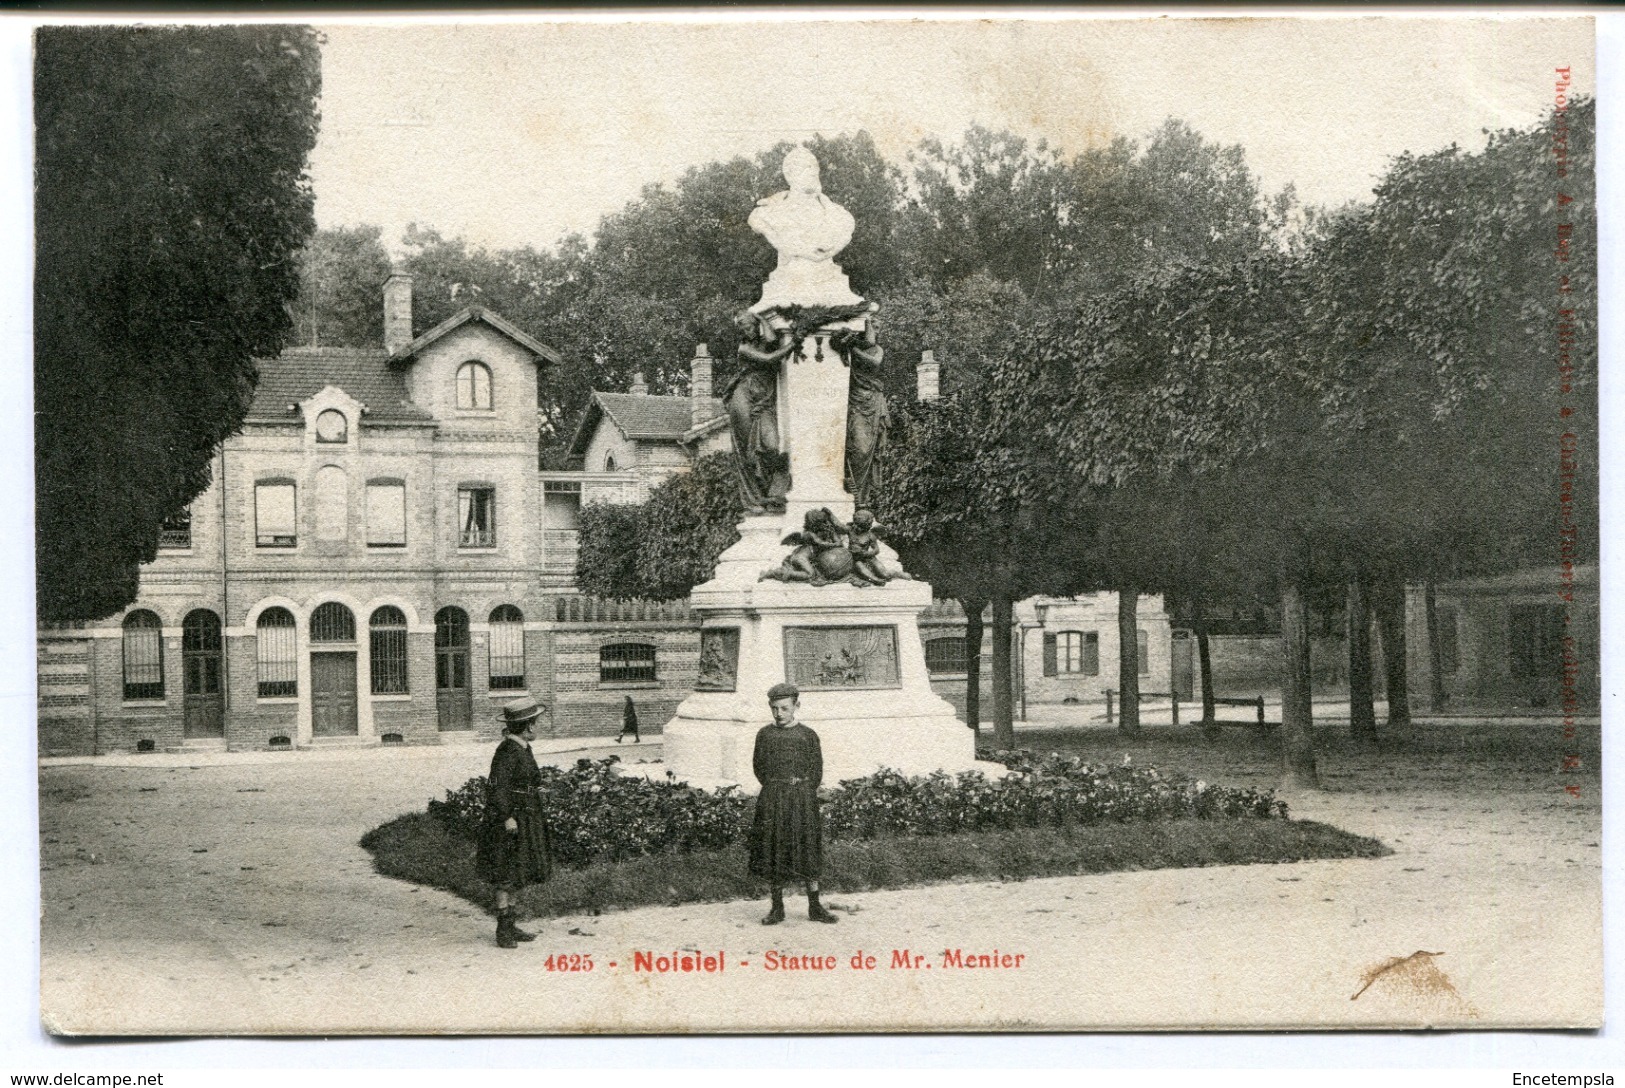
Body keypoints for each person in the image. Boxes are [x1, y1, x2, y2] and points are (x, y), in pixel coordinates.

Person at [748, 682, 838, 925]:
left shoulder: (807, 735)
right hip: (774, 799)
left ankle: (815, 906)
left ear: (796, 706)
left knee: (807, 849)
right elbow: (759, 767)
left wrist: (803, 791)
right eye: (774, 709)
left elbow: (816, 769)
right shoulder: (765, 735)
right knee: (774, 848)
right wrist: (776, 788)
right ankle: (777, 908)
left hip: (802, 800)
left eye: (785, 708)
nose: (779, 714)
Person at [475, 696, 553, 948]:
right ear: (528, 726)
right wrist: (507, 817)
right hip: (510, 820)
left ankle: (511, 924)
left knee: (518, 870)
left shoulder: (520, 748)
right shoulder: (507, 751)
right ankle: (503, 930)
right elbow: (496, 788)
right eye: (536, 723)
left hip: (525, 814)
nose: (537, 728)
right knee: (506, 874)